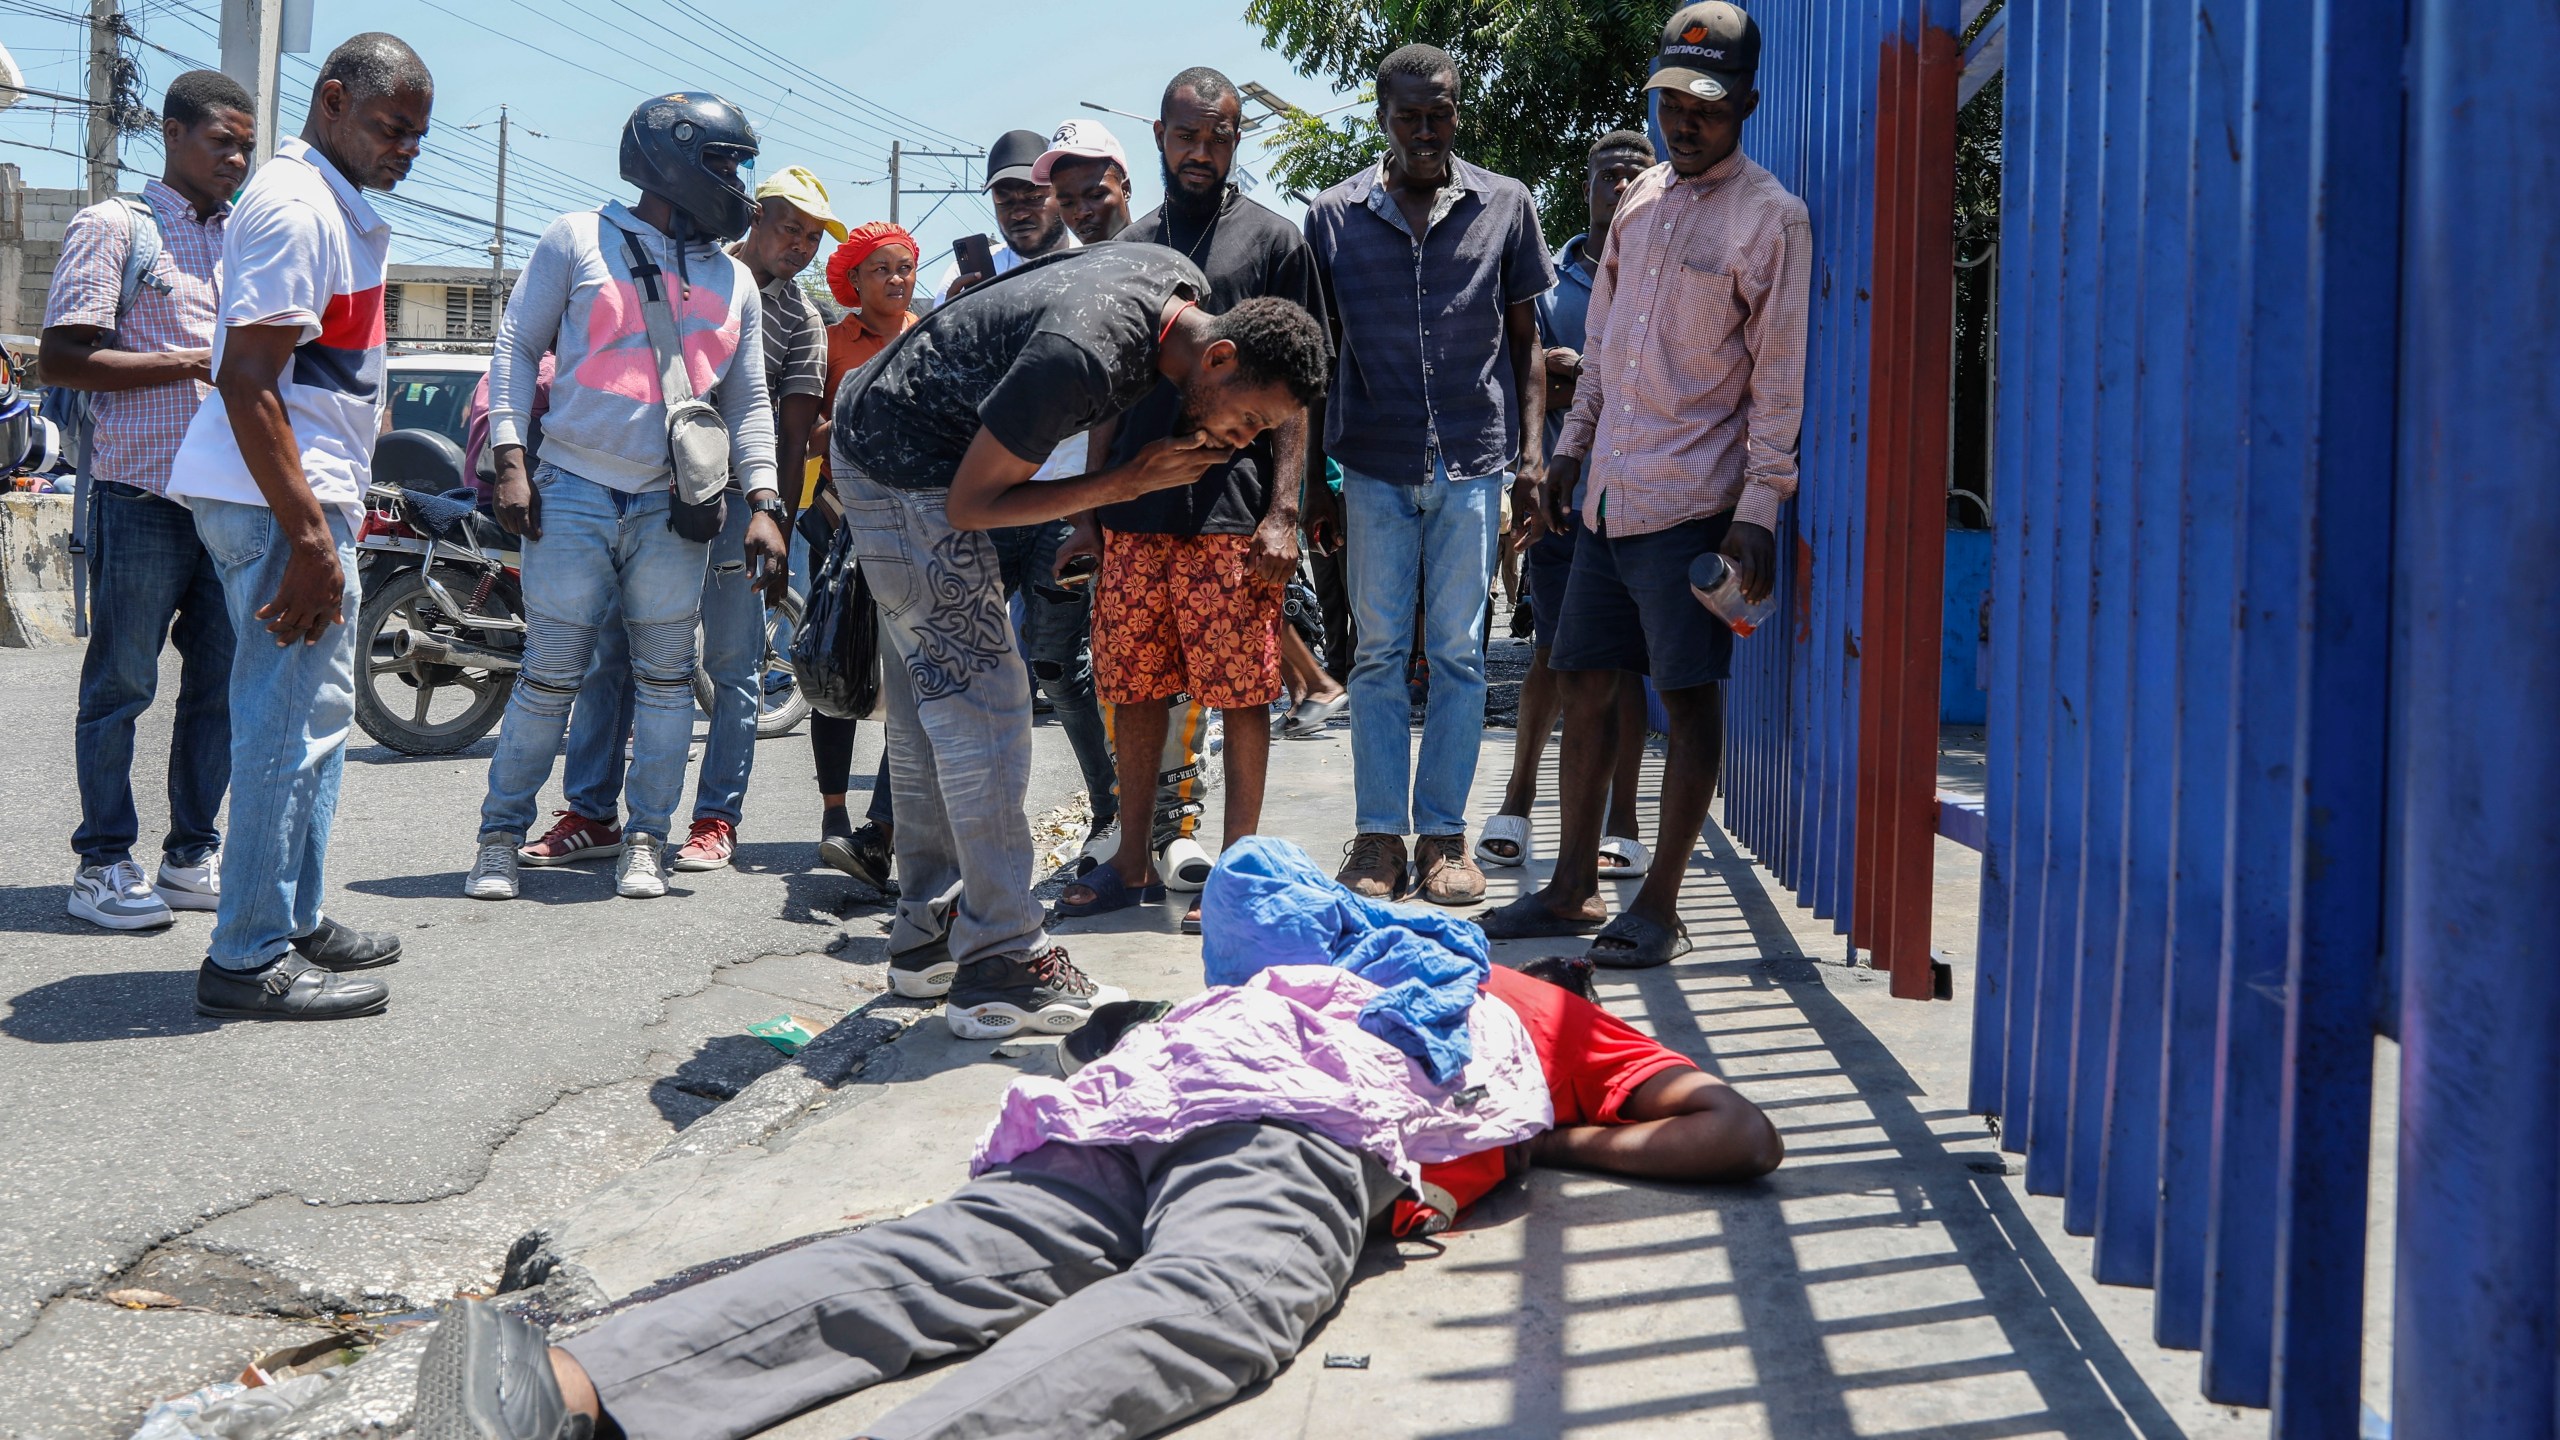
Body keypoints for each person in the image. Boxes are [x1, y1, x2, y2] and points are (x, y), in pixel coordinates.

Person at [413, 922, 1780, 1440]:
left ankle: (568, 1384)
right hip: (1304, 1125)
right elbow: (1735, 1136)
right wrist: (1546, 1133)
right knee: (1210, 1296)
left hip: (1149, 1088)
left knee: (950, 1257)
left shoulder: (1334, 961)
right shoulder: (1549, 1020)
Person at [827, 242, 1328, 1038]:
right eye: (1249, 420)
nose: (1240, 441)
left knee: (935, 709)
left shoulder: (1178, 289)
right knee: (983, 702)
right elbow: (970, 504)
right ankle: (1004, 959)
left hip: (897, 430)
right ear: (1220, 355)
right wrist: (1124, 484)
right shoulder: (1083, 356)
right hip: (902, 465)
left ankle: (930, 934)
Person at [1486, 2, 1810, 967]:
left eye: (1706, 104)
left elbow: (1779, 379)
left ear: (1748, 102)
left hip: (1692, 507)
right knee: (1584, 681)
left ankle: (1659, 904)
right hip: (1605, 504)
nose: (1684, 120)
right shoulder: (1637, 202)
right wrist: (1569, 454)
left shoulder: (1771, 220)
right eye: (1672, 99)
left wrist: (1759, 510)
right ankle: (1573, 885)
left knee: (1687, 694)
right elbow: (1606, 351)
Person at [165, 35, 431, 1021]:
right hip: (281, 505)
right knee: (283, 723)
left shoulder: (328, 204)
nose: (405, 150)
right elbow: (247, 382)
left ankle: (292, 914)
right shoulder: (293, 204)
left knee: (313, 722)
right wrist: (312, 539)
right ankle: (246, 960)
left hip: (303, 498)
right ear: (331, 102)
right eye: (391, 127)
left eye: (415, 137)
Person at [463, 92, 786, 904]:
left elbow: (748, 403)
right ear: (668, 156)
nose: (737, 182)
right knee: (551, 673)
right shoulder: (577, 238)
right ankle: (498, 838)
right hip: (570, 487)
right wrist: (511, 458)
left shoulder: (736, 280)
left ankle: (645, 839)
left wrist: (765, 502)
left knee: (667, 679)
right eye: (726, 164)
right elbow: (516, 346)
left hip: (672, 507)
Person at [1057, 67, 1330, 936]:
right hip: (1136, 508)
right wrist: (1087, 513)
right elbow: (1102, 391)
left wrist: (1284, 510)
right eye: (1186, 136)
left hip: (1233, 513)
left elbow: (1299, 392)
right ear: (1161, 140)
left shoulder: (1275, 242)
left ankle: (1238, 879)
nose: (1201, 151)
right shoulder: (1126, 245)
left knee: (1244, 691)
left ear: (1237, 140)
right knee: (1134, 688)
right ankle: (1132, 863)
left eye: (1218, 136)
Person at [513, 167, 838, 877]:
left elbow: (783, 428)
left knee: (730, 665)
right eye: (791, 228)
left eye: (814, 238)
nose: (802, 247)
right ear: (754, 216)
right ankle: (591, 814)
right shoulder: (682, 267)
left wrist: (771, 517)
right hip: (640, 492)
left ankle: (715, 819)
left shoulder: (801, 320)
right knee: (610, 658)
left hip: (732, 510)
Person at [1303, 43, 1554, 907]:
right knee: (1375, 655)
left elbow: (1526, 348)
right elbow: (1316, 359)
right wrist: (1310, 489)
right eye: (1407, 116)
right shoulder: (1332, 217)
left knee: (1457, 655)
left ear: (1457, 113)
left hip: (1476, 463)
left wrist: (1532, 460)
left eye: (1438, 114)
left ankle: (1443, 838)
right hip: (1371, 465)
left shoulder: (1506, 205)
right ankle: (1379, 838)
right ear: (1381, 117)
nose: (1423, 131)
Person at [44, 70, 255, 932]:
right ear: (172, 134)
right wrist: (189, 362)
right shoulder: (116, 228)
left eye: (246, 146)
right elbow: (60, 359)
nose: (237, 160)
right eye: (221, 143)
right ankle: (101, 864)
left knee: (219, 687)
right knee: (121, 687)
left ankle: (189, 856)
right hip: (139, 497)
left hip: (229, 503)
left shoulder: (245, 236)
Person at [1476, 131, 1657, 878]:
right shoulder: (1548, 289)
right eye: (1609, 174)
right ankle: (1516, 802)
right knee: (1552, 652)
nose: (1620, 186)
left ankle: (1625, 821)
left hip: (1647, 506)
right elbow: (1522, 384)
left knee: (1629, 667)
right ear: (1587, 185)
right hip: (1561, 502)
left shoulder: (1665, 274)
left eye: (1634, 175)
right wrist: (1571, 376)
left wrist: (1582, 373)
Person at [805, 220, 920, 888]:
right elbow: (811, 434)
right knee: (838, 662)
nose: (896, 279)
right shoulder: (832, 346)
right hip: (841, 522)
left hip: (912, 527)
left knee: (908, 677)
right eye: (881, 269)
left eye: (904, 267)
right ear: (853, 278)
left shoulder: (927, 337)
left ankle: (891, 822)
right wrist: (856, 411)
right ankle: (833, 814)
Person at [929, 129, 1079, 300]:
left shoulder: (1096, 263)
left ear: (1063, 194)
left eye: (1034, 197)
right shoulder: (962, 278)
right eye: (1004, 201)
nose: (1019, 214)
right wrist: (950, 321)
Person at [1035, 117, 1135, 245]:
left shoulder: (1165, 248)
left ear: (1125, 190)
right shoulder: (1065, 264)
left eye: (1095, 196)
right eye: (1066, 203)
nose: (1081, 213)